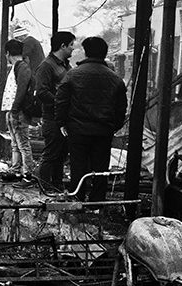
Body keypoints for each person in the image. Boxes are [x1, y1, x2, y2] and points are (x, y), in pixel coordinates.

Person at [55, 36, 127, 202]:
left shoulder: (73, 75)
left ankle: (77, 199)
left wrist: (62, 123)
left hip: (78, 130)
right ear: (104, 53)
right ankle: (97, 202)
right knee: (101, 168)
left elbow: (61, 101)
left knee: (78, 166)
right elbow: (121, 108)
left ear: (86, 53)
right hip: (103, 131)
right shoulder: (115, 79)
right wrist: (113, 126)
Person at [33, 31, 76, 189]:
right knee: (51, 153)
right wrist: (60, 102)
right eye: (71, 45)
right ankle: (44, 186)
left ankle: (57, 185)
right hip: (52, 119)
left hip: (64, 118)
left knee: (61, 154)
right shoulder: (46, 66)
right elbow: (42, 92)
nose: (73, 49)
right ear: (62, 46)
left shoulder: (66, 65)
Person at [1, 39, 36, 176]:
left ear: (8, 53)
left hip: (18, 112)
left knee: (23, 145)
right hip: (13, 111)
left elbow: (22, 89)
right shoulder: (17, 67)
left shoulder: (22, 67)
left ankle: (28, 175)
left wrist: (15, 110)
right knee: (15, 144)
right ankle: (15, 170)